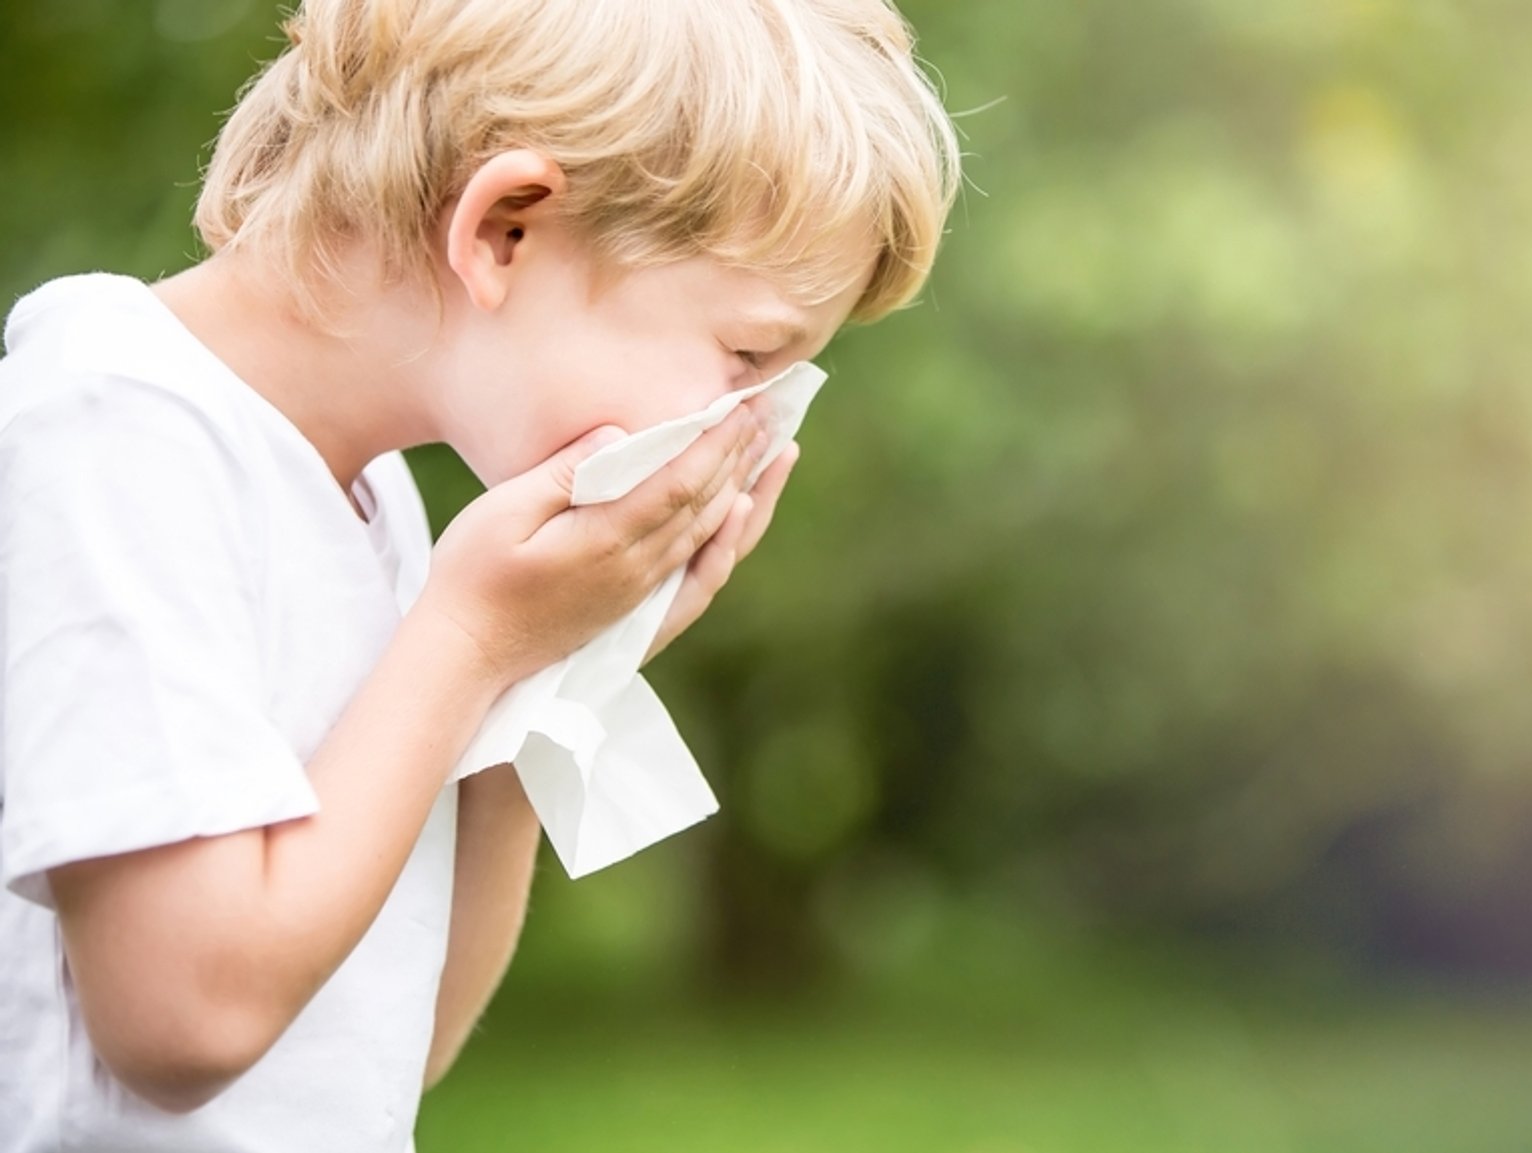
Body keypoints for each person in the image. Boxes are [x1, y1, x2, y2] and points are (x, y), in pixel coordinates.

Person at [0, 0, 959, 1148]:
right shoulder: (114, 428)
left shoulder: (370, 500)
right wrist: (469, 646)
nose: (746, 422)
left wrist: (536, 674)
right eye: (749, 354)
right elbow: (185, 1020)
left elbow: (403, 1044)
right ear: (504, 229)